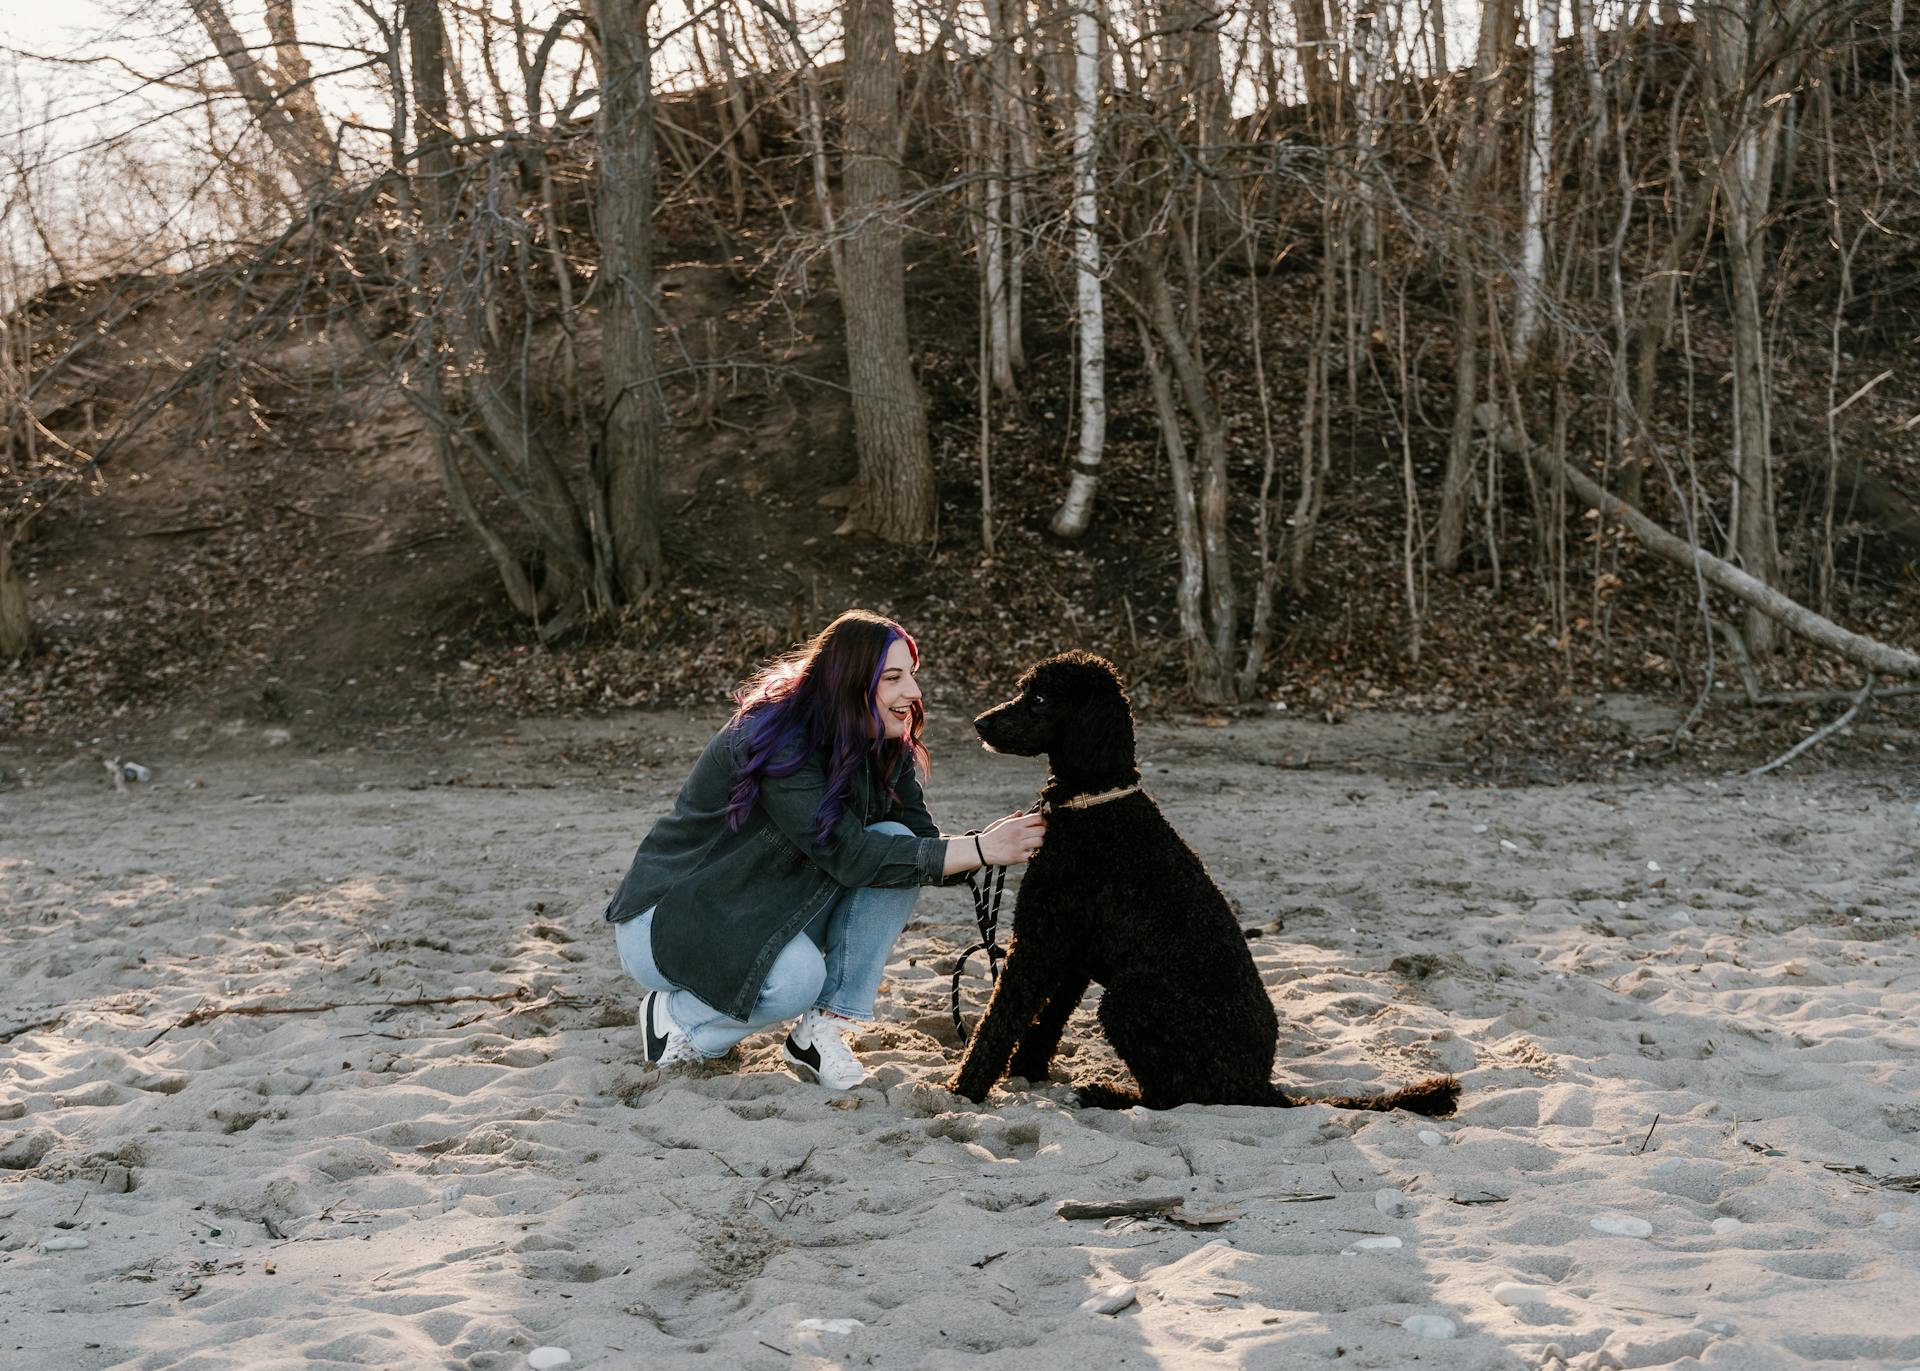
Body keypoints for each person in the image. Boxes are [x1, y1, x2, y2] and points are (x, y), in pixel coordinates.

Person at [605, 609, 1047, 1090]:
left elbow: (918, 848)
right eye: (894, 678)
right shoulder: (779, 739)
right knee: (796, 978)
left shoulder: (883, 742)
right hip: (674, 916)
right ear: (850, 682)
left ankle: (822, 1030)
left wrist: (1004, 843)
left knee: (898, 845)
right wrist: (980, 849)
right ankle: (678, 1018)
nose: (914, 694)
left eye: (912, 678)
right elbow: (848, 855)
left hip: (758, 906)